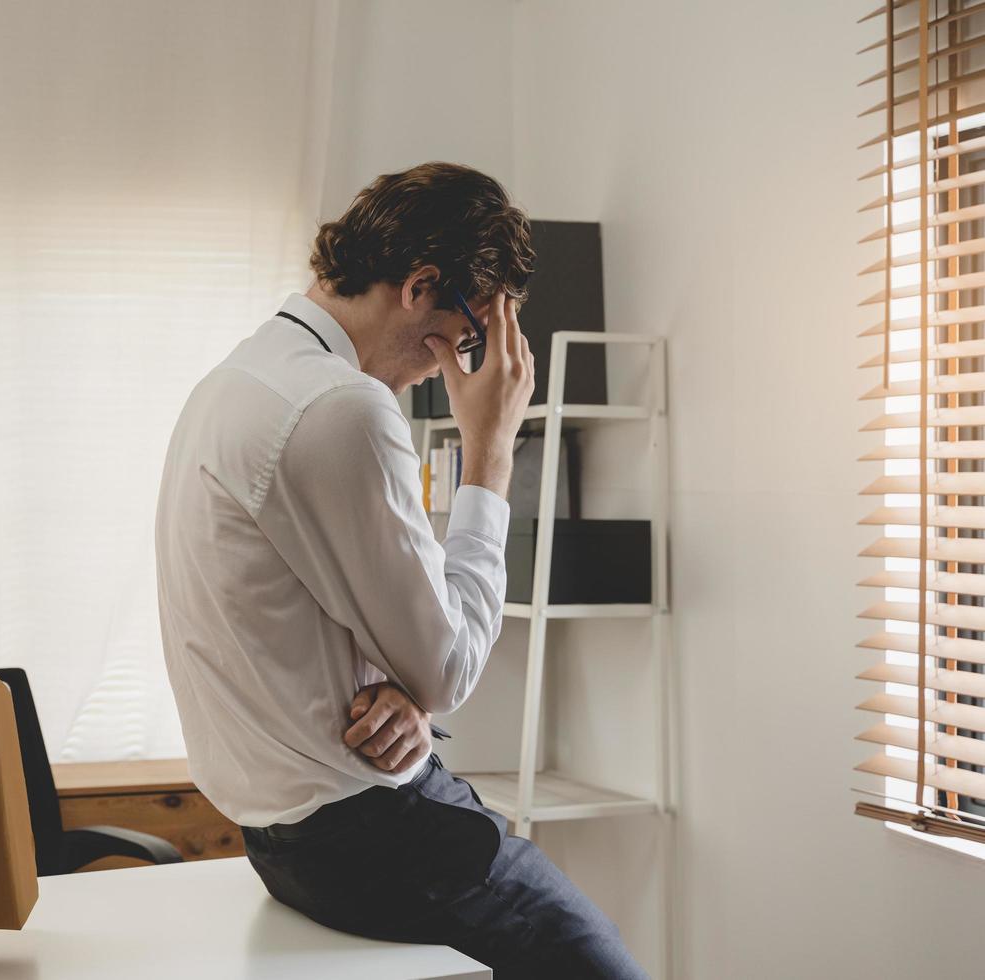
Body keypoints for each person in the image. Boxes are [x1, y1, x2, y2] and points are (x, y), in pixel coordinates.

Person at [154, 162, 646, 977]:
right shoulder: (342, 409)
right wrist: (489, 453)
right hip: (371, 836)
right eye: (455, 342)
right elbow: (449, 666)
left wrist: (406, 695)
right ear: (420, 286)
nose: (441, 371)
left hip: (282, 839)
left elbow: (305, 612)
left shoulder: (233, 382)